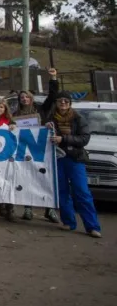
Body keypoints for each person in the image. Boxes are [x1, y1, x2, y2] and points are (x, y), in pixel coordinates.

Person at [49, 91, 102, 238]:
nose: (63, 103)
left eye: (66, 101)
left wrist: (63, 139)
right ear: (56, 103)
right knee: (62, 192)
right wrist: (46, 128)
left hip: (75, 159)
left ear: (70, 103)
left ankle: (92, 226)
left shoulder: (78, 118)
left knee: (82, 192)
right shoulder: (51, 118)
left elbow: (84, 138)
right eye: (60, 101)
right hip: (57, 159)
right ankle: (68, 222)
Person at [12, 68, 60, 221]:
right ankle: (28, 208)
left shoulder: (41, 109)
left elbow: (53, 97)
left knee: (45, 179)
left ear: (31, 98)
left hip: (42, 149)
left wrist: (53, 78)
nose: (24, 99)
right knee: (26, 179)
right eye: (22, 97)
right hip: (24, 150)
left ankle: (49, 209)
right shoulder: (16, 114)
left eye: (27, 97)